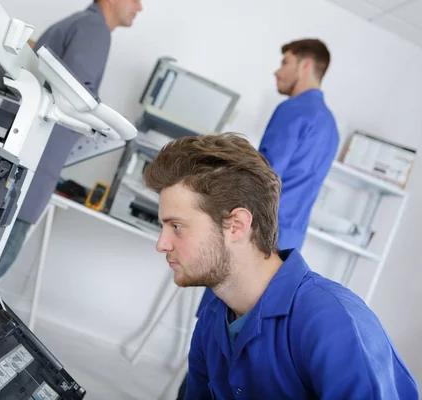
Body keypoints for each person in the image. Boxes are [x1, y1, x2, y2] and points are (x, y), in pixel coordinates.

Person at [144, 133, 418, 399]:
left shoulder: (331, 320)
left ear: (237, 225)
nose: (162, 244)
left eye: (176, 226)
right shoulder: (212, 319)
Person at [186, 40, 341, 393]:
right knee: (247, 353)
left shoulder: (294, 110)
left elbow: (257, 177)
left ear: (305, 66)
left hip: (249, 243)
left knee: (213, 344)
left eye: (284, 61)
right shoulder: (330, 127)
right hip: (282, 258)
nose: (277, 70)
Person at [0, 0, 142, 281]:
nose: (140, 7)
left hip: (23, 157)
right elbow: (77, 101)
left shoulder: (79, 23)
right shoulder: (94, 29)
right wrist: (108, 129)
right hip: (33, 165)